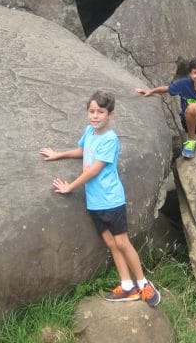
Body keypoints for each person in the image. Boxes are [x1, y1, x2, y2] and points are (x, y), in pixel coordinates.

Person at [39, 91, 160, 307]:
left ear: (110, 115)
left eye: (100, 112)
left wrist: (71, 186)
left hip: (111, 199)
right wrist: (59, 154)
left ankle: (143, 283)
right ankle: (127, 287)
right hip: (94, 201)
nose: (95, 116)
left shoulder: (110, 139)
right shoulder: (90, 132)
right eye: (92, 112)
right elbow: (83, 150)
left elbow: (94, 170)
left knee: (122, 242)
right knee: (110, 242)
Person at [135, 55, 196, 158]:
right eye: (195, 73)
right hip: (189, 119)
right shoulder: (184, 84)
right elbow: (166, 89)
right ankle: (191, 139)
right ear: (190, 74)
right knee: (193, 106)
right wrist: (150, 91)